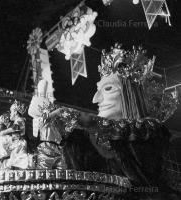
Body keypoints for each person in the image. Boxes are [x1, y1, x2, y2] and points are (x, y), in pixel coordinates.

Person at [74, 44, 180, 199]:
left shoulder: (146, 133)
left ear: (131, 95)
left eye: (108, 88)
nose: (95, 98)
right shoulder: (94, 136)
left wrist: (77, 121)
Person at [28, 80, 67, 169]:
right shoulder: (40, 119)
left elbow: (62, 134)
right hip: (45, 147)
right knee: (44, 171)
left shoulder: (53, 123)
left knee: (61, 171)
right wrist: (57, 112)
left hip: (57, 148)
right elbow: (45, 117)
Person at [0, 100, 31, 169]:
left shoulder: (20, 119)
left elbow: (15, 128)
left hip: (20, 144)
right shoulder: (17, 121)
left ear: (15, 112)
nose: (10, 113)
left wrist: (3, 132)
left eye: (11, 111)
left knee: (18, 163)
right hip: (16, 144)